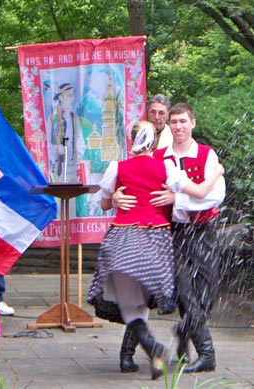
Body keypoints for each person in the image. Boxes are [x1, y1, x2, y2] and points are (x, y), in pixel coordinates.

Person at [87, 120, 224, 380]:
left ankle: (151, 347)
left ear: (131, 141)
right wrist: (217, 173)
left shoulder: (118, 167)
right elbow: (201, 190)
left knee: (131, 301)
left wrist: (114, 198)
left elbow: (104, 204)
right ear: (154, 141)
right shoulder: (167, 167)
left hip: (124, 237)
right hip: (157, 238)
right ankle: (151, 349)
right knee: (149, 296)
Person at [118, 93, 173, 373]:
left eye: (162, 112)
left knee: (142, 295)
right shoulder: (142, 138)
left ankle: (156, 350)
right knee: (137, 294)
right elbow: (120, 183)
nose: (158, 116)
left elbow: (185, 187)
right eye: (154, 111)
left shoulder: (172, 146)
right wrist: (116, 195)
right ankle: (131, 354)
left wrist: (175, 197)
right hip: (146, 227)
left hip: (168, 225)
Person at [48, 83, 86, 182]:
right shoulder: (53, 118)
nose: (71, 98)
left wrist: (77, 153)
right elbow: (48, 142)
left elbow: (80, 141)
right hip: (57, 164)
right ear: (61, 97)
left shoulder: (74, 118)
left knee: (72, 192)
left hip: (71, 164)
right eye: (68, 95)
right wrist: (56, 149)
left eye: (72, 95)